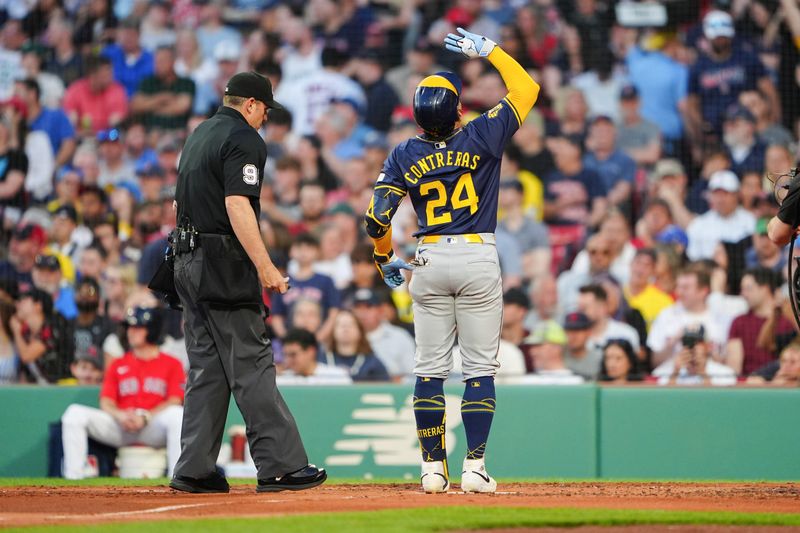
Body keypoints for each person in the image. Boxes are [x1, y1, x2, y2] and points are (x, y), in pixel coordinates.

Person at [363, 28, 539, 494]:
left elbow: (376, 219)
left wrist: (385, 260)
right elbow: (527, 89)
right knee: (479, 368)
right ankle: (474, 467)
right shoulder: (482, 132)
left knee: (430, 369)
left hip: (427, 258)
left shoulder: (404, 152)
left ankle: (431, 469)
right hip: (478, 253)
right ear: (458, 108)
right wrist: (493, 51)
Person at [170, 71, 325, 494]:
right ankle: (281, 466)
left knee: (208, 367)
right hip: (222, 263)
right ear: (252, 105)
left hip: (184, 256)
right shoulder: (245, 138)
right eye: (264, 111)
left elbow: (177, 199)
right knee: (252, 361)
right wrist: (265, 266)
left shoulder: (200, 132)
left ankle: (194, 469)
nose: (264, 120)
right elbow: (237, 203)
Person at [60, 307, 184, 479]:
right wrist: (120, 415)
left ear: (152, 330)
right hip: (122, 426)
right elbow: (106, 402)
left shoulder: (172, 363)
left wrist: (146, 417)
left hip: (152, 425)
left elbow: (175, 400)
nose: (130, 332)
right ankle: (73, 478)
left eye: (137, 328)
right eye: (130, 327)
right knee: (74, 414)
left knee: (178, 415)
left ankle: (177, 478)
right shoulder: (118, 364)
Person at [652, 325, 737, 386]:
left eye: (697, 342)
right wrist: (675, 373)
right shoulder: (668, 370)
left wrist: (703, 373)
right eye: (687, 342)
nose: (692, 347)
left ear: (707, 346)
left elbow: (720, 403)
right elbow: (663, 401)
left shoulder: (724, 373)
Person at [321, 309, 390, 382]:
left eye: (350, 325)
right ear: (333, 331)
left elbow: (385, 388)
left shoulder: (372, 363)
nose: (345, 329)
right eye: (340, 325)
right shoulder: (321, 360)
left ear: (360, 331)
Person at [277, 328, 351, 385]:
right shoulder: (281, 381)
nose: (287, 360)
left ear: (311, 352)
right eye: (285, 355)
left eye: (293, 354)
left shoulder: (337, 378)